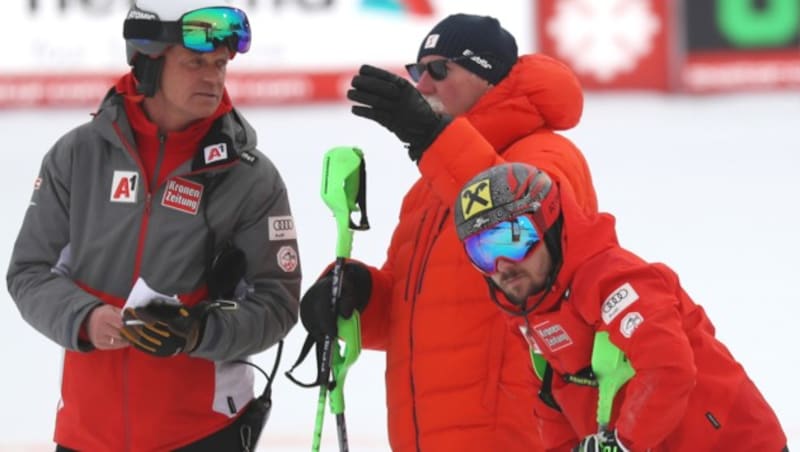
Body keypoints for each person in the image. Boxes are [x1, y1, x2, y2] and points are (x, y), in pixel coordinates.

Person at [6, 1, 300, 450]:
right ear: (148, 62)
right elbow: (29, 272)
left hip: (204, 434)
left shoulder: (251, 177)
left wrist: (199, 331)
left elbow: (277, 304)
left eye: (220, 64)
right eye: (195, 62)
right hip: (87, 435)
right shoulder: (77, 156)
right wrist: (85, 319)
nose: (213, 76)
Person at [300, 14, 597, 451]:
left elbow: (523, 233)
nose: (423, 86)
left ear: (489, 77)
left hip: (516, 435)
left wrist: (431, 137)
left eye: (439, 70)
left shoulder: (547, 153)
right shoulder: (428, 188)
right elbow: (416, 317)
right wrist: (359, 296)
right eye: (418, 71)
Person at [452, 162, 788, 452]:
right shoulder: (533, 322)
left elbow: (668, 367)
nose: (501, 266)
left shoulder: (616, 280)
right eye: (481, 252)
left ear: (550, 222)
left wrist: (624, 442)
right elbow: (552, 410)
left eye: (512, 240)